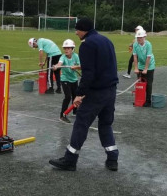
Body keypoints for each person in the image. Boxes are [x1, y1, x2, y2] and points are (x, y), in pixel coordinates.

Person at [49, 17, 119, 172]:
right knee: (106, 123)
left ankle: (70, 159)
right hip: (111, 90)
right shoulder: (106, 40)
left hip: (96, 92)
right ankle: (112, 158)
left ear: (84, 30)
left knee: (81, 123)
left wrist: (79, 94)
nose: (76, 32)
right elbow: (108, 64)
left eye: (77, 29)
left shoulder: (87, 45)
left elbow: (89, 74)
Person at [54, 39, 81, 123]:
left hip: (74, 79)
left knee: (75, 96)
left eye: (68, 48)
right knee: (68, 96)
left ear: (72, 49)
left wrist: (75, 67)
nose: (66, 50)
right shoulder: (62, 57)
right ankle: (62, 115)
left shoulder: (76, 56)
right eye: (65, 48)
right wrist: (56, 66)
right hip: (65, 79)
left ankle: (75, 112)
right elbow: (59, 64)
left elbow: (81, 66)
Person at [133, 29, 156, 107]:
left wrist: (146, 69)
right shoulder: (135, 45)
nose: (139, 39)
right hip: (140, 64)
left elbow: (148, 57)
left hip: (149, 65)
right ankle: (139, 99)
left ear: (144, 37)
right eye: (138, 38)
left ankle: (148, 100)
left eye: (141, 37)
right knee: (140, 83)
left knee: (148, 84)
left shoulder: (148, 44)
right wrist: (136, 68)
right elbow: (135, 57)